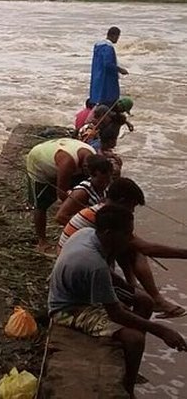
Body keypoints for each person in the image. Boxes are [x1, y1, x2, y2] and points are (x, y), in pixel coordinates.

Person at [49, 205, 187, 395]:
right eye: (127, 234)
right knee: (135, 339)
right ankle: (128, 387)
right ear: (108, 233)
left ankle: (130, 360)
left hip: (83, 289)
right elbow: (116, 312)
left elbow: (108, 275)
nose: (130, 239)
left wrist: (129, 288)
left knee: (144, 301)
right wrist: (162, 331)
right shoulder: (92, 263)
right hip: (69, 308)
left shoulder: (89, 233)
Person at [58, 178, 187, 319]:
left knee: (128, 245)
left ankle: (136, 288)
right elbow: (147, 248)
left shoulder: (102, 210)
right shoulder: (108, 217)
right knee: (135, 251)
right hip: (79, 272)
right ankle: (154, 299)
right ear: (122, 201)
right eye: (132, 206)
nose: (132, 211)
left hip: (73, 260)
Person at [26, 138, 96, 252]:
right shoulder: (67, 163)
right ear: (84, 167)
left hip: (58, 155)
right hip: (39, 162)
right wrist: (78, 217)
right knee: (40, 204)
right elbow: (61, 193)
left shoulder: (92, 153)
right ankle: (42, 241)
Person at [55, 154, 113, 226]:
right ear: (92, 175)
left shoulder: (106, 187)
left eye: (108, 179)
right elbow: (60, 217)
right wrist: (85, 227)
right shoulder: (81, 192)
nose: (105, 183)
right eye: (101, 180)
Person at [90, 26, 129, 107]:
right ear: (114, 35)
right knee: (109, 103)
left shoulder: (98, 46)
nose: (117, 39)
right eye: (118, 37)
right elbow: (108, 64)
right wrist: (120, 70)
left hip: (97, 77)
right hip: (107, 81)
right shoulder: (108, 47)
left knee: (98, 102)